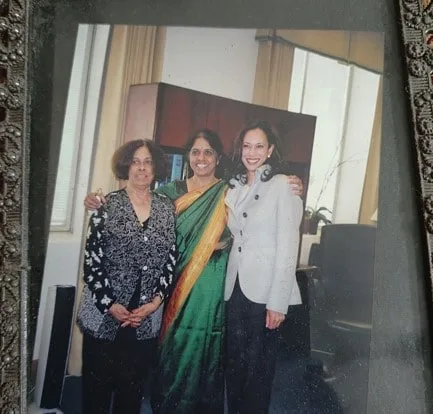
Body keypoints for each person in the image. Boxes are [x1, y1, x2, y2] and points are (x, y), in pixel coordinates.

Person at [83, 129, 304, 413]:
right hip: (173, 284)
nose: (201, 158)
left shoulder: (229, 190)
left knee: (205, 349)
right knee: (169, 352)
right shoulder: (167, 193)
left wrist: (293, 183)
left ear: (218, 157)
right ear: (188, 156)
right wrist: (95, 201)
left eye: (208, 152)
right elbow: (134, 208)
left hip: (210, 286)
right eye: (196, 152)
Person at [76, 139, 177, 414]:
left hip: (145, 317)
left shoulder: (167, 207)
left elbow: (170, 259)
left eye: (148, 162)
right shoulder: (105, 206)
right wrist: (111, 305)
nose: (142, 168)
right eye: (135, 161)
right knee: (96, 393)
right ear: (126, 166)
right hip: (105, 314)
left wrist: (155, 303)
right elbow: (92, 262)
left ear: (156, 168)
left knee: (131, 392)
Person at [224, 120, 304, 414]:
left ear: (270, 150)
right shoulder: (233, 187)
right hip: (234, 288)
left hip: (265, 292)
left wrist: (278, 303)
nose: (252, 152)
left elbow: (288, 247)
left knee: (258, 371)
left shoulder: (283, 186)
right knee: (234, 366)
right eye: (247, 146)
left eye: (259, 146)